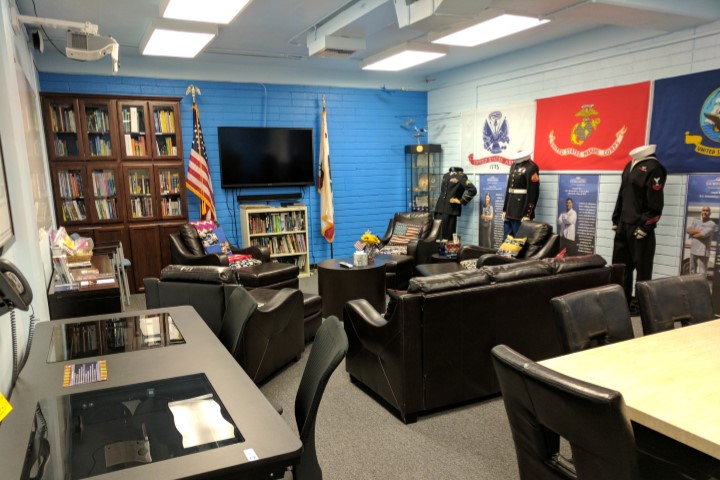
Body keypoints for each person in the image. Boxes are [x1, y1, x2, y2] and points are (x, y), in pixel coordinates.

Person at [612, 144, 666, 314]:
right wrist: (616, 218)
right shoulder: (630, 165)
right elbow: (622, 194)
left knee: (643, 270)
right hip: (623, 225)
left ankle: (643, 307)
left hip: (640, 228)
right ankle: (622, 303)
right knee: (621, 268)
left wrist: (646, 225)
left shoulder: (655, 168)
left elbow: (655, 203)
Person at [502, 151, 540, 238]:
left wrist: (527, 214)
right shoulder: (514, 166)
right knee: (506, 240)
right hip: (509, 209)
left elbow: (533, 192)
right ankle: (506, 252)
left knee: (519, 241)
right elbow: (509, 189)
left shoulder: (532, 167)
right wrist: (505, 209)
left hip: (521, 210)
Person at [434, 167, 477, 240]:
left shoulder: (461, 176)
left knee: (447, 235)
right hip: (439, 208)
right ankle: (436, 250)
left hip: (451, 209)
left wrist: (460, 201)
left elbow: (473, 190)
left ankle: (446, 251)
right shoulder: (445, 175)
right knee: (436, 233)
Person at [686, 205, 716, 275]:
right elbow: (688, 230)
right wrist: (700, 230)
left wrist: (694, 232)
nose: (705, 212)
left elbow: (702, 235)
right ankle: (692, 285)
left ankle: (701, 286)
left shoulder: (712, 224)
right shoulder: (696, 221)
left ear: (710, 213)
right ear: (701, 212)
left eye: (707, 210)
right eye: (703, 210)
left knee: (702, 273)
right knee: (692, 271)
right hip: (693, 250)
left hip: (703, 252)